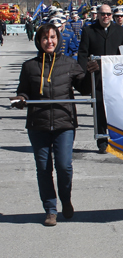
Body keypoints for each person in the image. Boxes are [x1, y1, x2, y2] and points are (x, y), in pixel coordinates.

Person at [9, 24, 99, 226]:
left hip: (64, 122)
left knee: (64, 166)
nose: (49, 41)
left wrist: (93, 74)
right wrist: (20, 99)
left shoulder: (69, 63)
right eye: (44, 38)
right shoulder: (29, 66)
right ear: (38, 41)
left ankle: (65, 199)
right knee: (43, 168)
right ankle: (50, 209)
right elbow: (23, 91)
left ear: (57, 39)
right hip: (38, 124)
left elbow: (84, 89)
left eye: (52, 37)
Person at [78, 4, 123, 154]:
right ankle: (102, 141)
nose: (106, 17)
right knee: (100, 109)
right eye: (103, 14)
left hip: (116, 78)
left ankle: (120, 139)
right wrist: (83, 73)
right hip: (97, 77)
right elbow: (82, 54)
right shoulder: (89, 31)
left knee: (118, 108)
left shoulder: (119, 30)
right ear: (98, 15)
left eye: (109, 14)